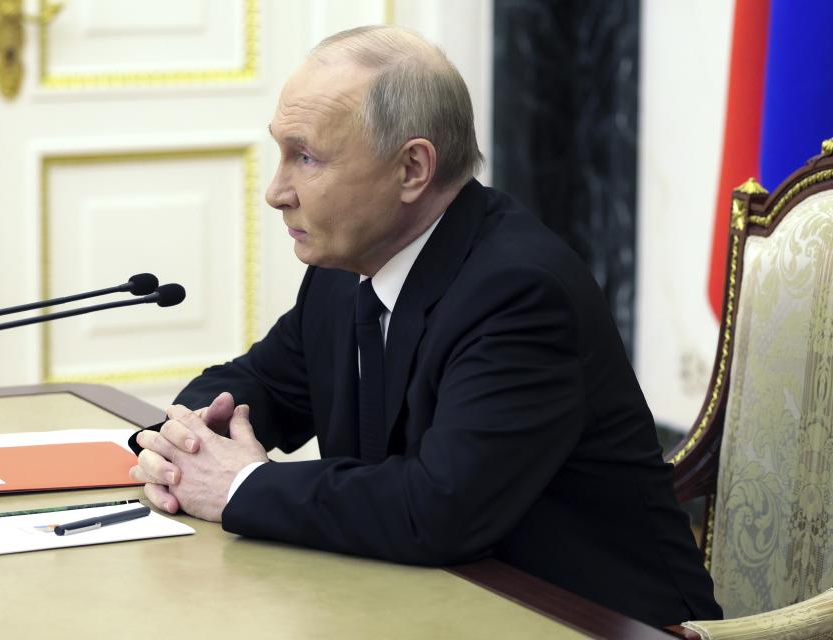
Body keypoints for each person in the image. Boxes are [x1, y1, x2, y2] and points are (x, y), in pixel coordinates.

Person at [129, 25, 721, 628]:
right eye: (280, 152)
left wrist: (241, 487)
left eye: (305, 157)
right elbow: (261, 384)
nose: (276, 192)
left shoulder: (519, 292)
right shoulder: (345, 266)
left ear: (412, 168)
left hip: (590, 619)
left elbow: (438, 510)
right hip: (424, 607)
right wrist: (187, 446)